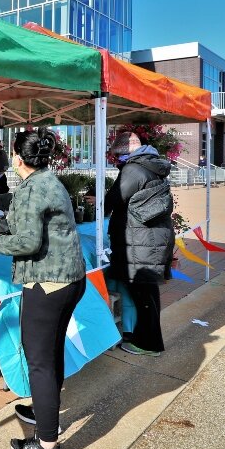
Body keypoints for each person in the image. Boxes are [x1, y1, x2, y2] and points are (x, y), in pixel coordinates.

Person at [0, 128, 86, 449]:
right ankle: (47, 414)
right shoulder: (47, 180)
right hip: (70, 279)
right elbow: (28, 219)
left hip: (48, 283)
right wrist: (0, 214)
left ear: (17, 158)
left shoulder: (34, 188)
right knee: (51, 351)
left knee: (39, 361)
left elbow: (27, 242)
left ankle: (47, 446)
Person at [89, 131, 174, 357]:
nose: (117, 161)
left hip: (141, 240)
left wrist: (97, 203)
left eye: (117, 156)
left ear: (126, 152)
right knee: (147, 293)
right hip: (151, 237)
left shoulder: (133, 168)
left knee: (144, 295)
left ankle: (149, 344)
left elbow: (115, 199)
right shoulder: (151, 164)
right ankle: (145, 338)